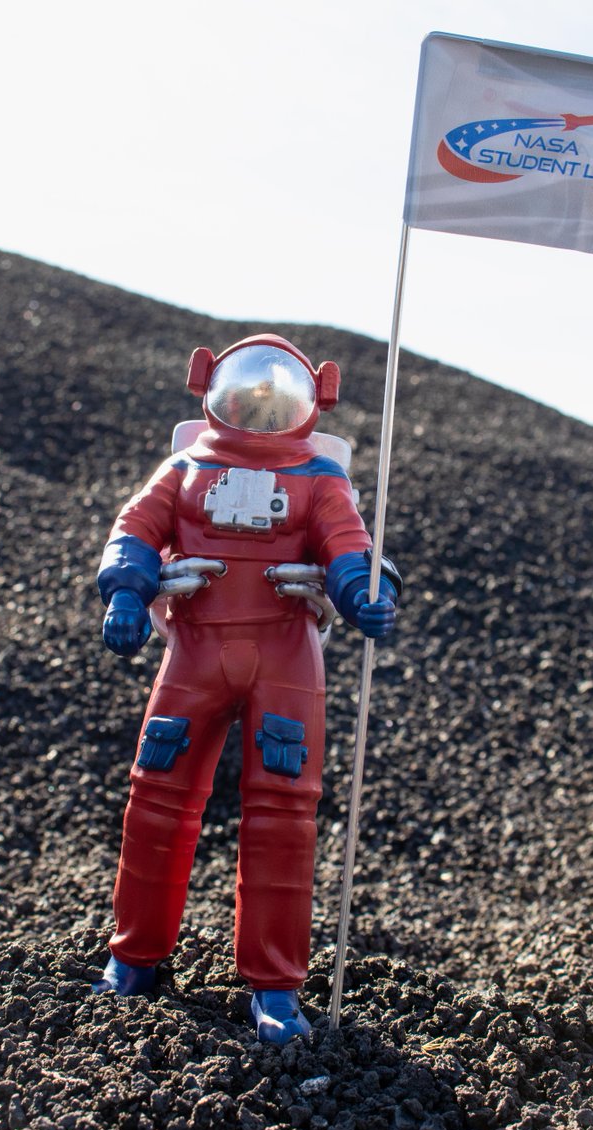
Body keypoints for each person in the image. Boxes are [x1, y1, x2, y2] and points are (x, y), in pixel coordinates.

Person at [92, 334, 401, 1044]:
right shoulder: (183, 469)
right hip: (197, 647)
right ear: (213, 389)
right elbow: (134, 531)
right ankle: (135, 957)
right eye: (246, 394)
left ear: (310, 397)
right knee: (157, 801)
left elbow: (348, 547)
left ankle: (275, 987)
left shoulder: (320, 479)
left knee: (284, 818)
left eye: (275, 396)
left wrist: (364, 594)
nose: (261, 408)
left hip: (284, 652)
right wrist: (126, 593)